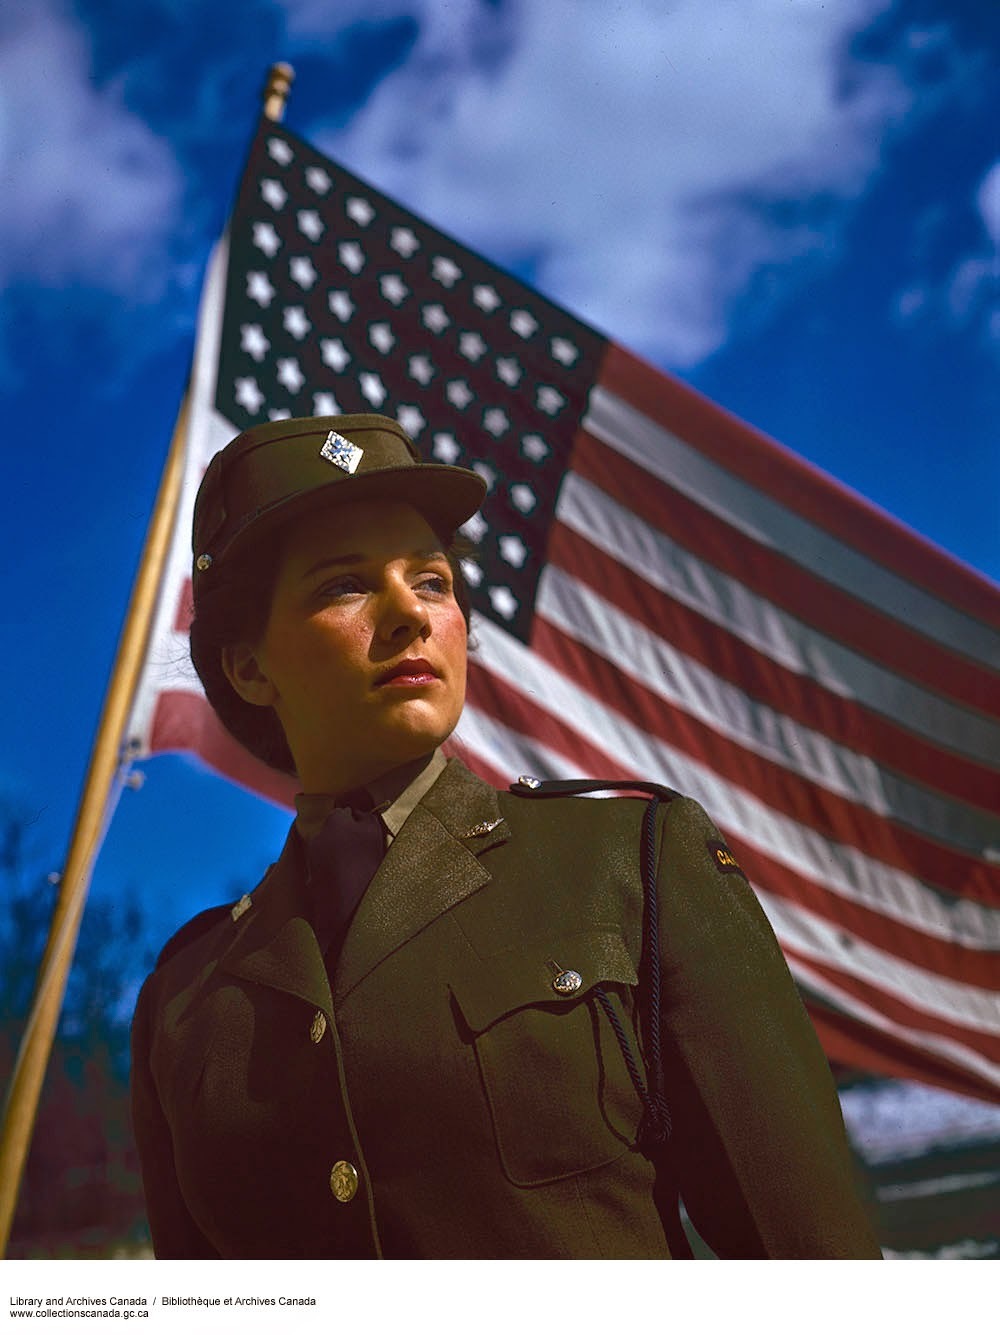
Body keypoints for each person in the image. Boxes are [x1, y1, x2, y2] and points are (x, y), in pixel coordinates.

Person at [130, 412, 882, 1260]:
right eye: (344, 584)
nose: (410, 613)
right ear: (248, 664)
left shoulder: (631, 860)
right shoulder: (184, 1003)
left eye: (434, 580)